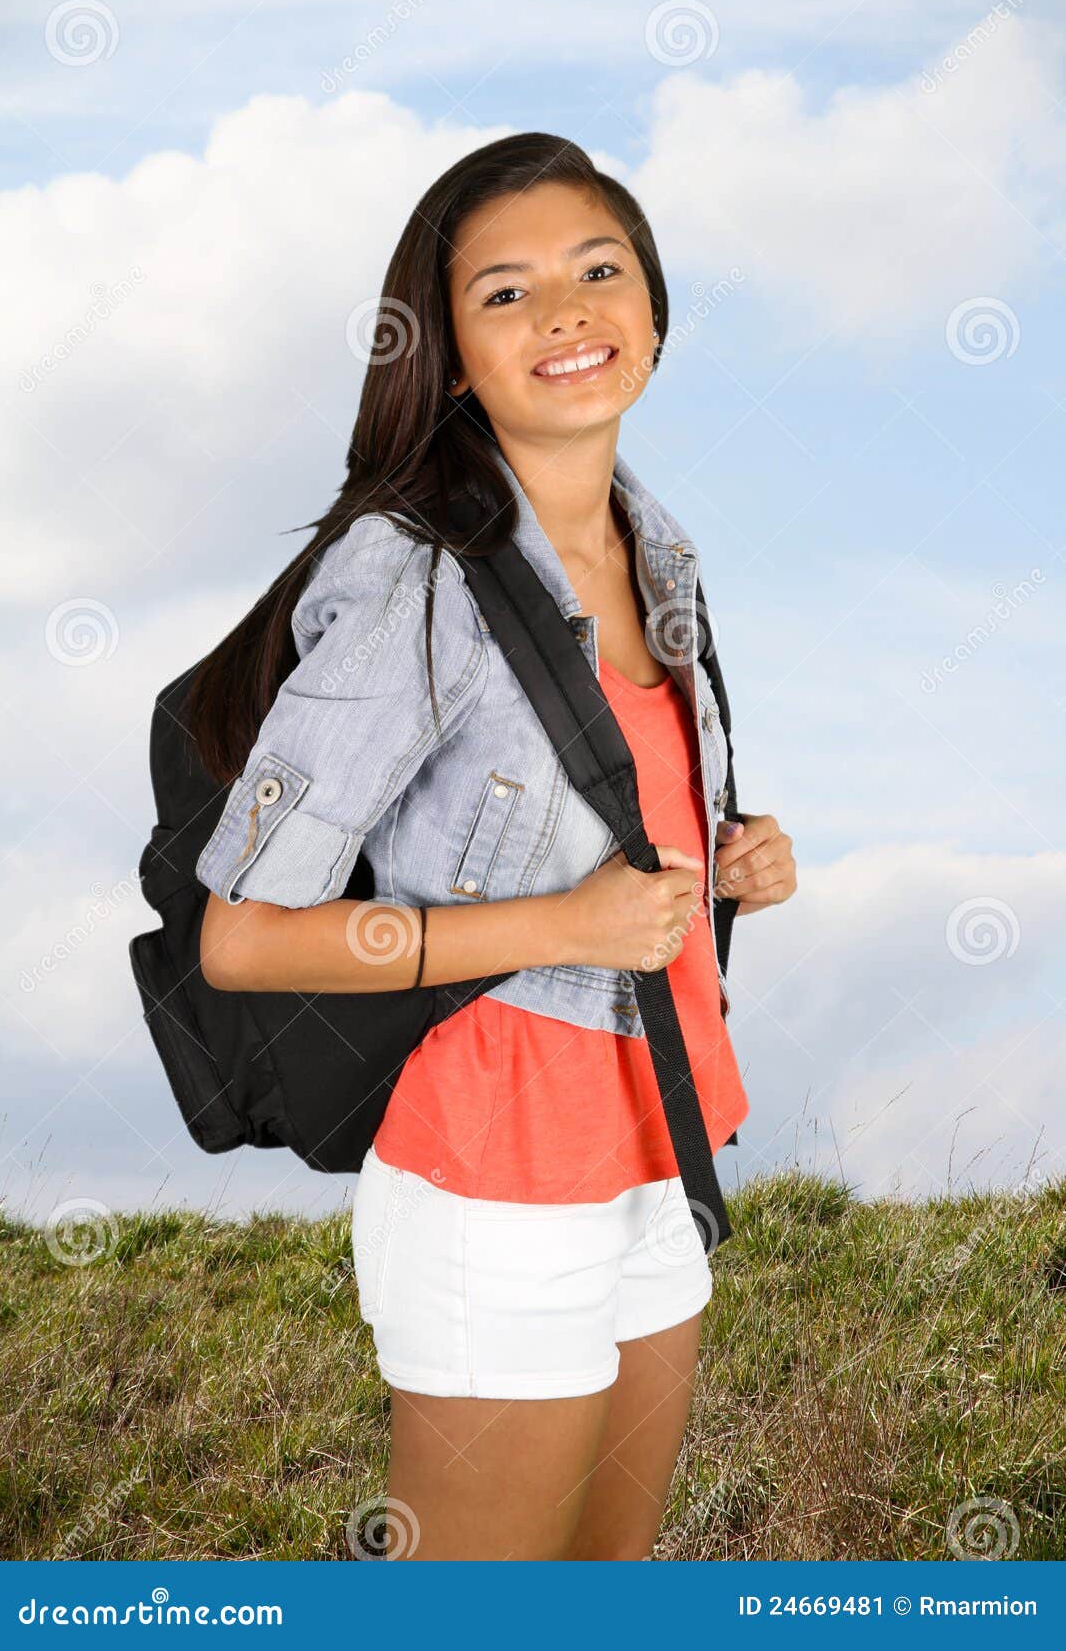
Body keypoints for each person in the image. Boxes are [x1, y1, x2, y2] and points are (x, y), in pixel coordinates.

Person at [190, 131, 797, 1561]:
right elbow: (244, 939)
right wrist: (565, 927)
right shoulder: (412, 580)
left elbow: (592, 807)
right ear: (452, 356)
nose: (567, 314)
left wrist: (726, 856)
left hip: (662, 1132)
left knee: (604, 1590)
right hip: (494, 1175)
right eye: (507, 294)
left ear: (654, 305)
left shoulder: (656, 544)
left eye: (599, 270)